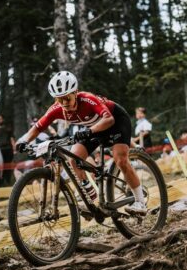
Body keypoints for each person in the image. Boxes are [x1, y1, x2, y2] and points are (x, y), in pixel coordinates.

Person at [15, 71, 147, 214]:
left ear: (75, 92)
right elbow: (37, 127)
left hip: (116, 121)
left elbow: (109, 119)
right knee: (74, 158)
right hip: (94, 127)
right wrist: (23, 140)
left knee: (120, 160)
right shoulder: (56, 109)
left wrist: (89, 131)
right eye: (59, 99)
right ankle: (92, 201)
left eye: (67, 98)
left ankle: (140, 202)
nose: (64, 103)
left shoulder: (87, 99)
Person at [0, 115, 15, 185]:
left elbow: (12, 139)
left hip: (8, 149)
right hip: (0, 150)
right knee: (1, 165)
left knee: (8, 165)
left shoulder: (8, 128)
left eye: (0, 119)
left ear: (3, 119)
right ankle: (2, 182)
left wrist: (14, 148)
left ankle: (8, 181)